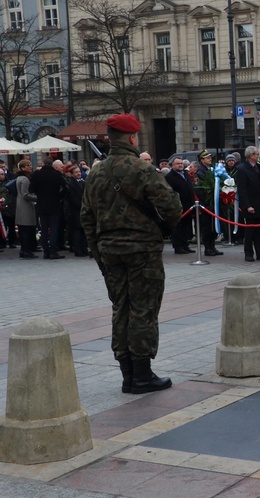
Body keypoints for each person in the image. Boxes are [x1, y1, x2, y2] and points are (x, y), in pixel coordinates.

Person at [80, 113, 182, 395]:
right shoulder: (142, 169)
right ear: (133, 137)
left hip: (109, 252)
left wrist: (97, 252)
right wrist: (162, 228)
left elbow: (86, 217)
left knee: (120, 307)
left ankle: (127, 374)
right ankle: (142, 374)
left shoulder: (96, 173)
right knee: (143, 309)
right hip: (142, 251)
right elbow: (173, 206)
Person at [236, 146, 260, 262]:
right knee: (250, 231)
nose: (258, 156)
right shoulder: (242, 169)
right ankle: (248, 253)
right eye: (256, 154)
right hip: (250, 205)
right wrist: (247, 205)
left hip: (259, 204)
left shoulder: (257, 166)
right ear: (250, 155)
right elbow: (242, 190)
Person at [30, 156, 68, 259]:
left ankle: (45, 252)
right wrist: (60, 196)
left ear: (42, 163)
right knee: (54, 228)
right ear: (52, 164)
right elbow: (66, 187)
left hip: (42, 205)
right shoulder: (57, 174)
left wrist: (39, 194)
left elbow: (31, 189)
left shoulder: (37, 174)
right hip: (54, 204)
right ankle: (53, 251)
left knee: (44, 229)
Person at [193, 150, 223, 256]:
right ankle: (207, 248)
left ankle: (212, 246)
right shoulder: (199, 173)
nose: (210, 159)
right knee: (206, 227)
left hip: (213, 204)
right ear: (202, 160)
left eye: (210, 158)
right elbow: (198, 189)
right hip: (206, 204)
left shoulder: (211, 170)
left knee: (213, 226)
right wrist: (208, 200)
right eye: (207, 158)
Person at [165, 156, 196, 254]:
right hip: (178, 206)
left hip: (188, 205)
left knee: (186, 226)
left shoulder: (186, 175)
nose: (180, 165)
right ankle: (178, 246)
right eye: (178, 163)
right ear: (172, 165)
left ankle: (185, 244)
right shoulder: (169, 177)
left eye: (181, 163)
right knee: (178, 227)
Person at [14, 160, 37, 259]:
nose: (30, 167)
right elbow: (25, 194)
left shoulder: (19, 178)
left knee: (23, 229)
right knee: (25, 230)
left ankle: (24, 250)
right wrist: (36, 197)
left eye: (30, 165)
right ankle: (26, 250)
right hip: (25, 207)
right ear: (23, 168)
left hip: (21, 206)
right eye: (28, 165)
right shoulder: (25, 179)